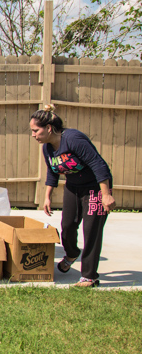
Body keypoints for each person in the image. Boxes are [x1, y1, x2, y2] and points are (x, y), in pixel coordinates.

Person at [30, 105, 114, 288]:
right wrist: (47, 197)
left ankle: (89, 277)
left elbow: (98, 165)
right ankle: (72, 253)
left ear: (49, 128)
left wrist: (106, 195)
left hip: (95, 189)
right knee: (67, 226)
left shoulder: (74, 139)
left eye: (36, 130)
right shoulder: (47, 148)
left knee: (91, 231)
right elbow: (52, 172)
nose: (33, 135)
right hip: (73, 187)